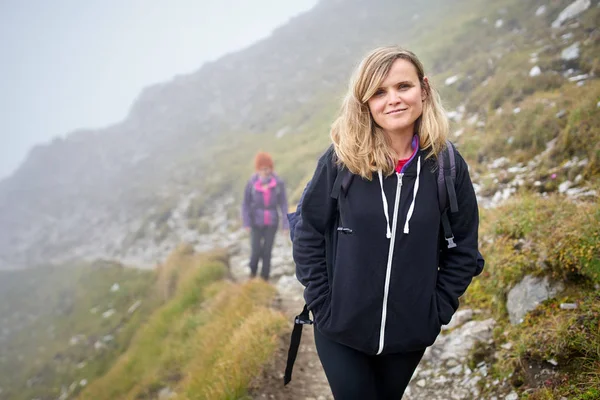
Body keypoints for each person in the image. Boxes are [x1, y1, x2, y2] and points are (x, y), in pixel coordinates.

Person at [292, 46, 482, 399]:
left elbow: (464, 248)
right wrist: (322, 301)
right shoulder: (341, 161)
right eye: (379, 92)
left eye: (403, 87)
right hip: (340, 329)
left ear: (423, 90)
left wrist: (436, 310)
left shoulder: (447, 166)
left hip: (409, 334)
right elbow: (309, 230)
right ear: (364, 103)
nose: (392, 99)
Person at [242, 151, 289, 280]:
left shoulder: (278, 183)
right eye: (262, 169)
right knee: (256, 251)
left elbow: (283, 204)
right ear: (257, 169)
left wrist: (285, 224)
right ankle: (252, 274)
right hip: (255, 222)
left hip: (271, 222)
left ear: (271, 168)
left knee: (267, 252)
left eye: (267, 168)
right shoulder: (251, 183)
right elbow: (245, 204)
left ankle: (265, 278)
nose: (265, 171)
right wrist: (246, 223)